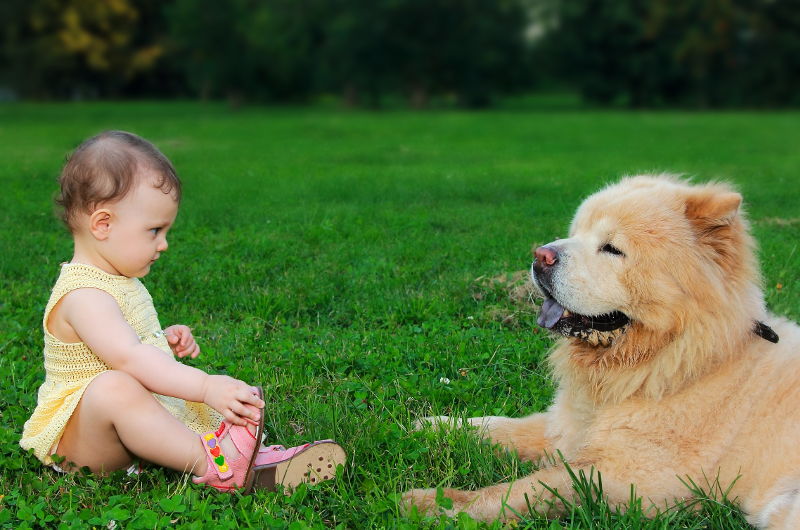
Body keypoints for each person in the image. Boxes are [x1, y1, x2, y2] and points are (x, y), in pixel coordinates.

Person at [20, 131, 345, 493]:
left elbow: (127, 345)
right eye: (154, 230)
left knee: (127, 386)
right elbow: (129, 358)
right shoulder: (84, 295)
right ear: (103, 224)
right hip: (82, 446)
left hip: (117, 433)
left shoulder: (114, 278)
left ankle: (261, 462)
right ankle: (218, 465)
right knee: (113, 388)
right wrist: (205, 386)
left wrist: (158, 340)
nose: (164, 244)